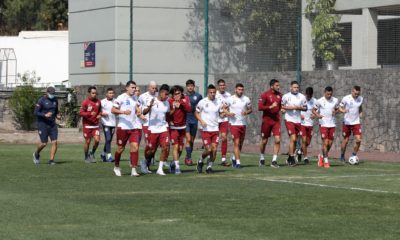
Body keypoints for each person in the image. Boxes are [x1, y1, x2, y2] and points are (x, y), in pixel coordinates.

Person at [112, 81, 142, 177]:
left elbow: (137, 107)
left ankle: (133, 169)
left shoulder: (135, 97)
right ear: (127, 88)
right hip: (123, 127)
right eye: (132, 87)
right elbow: (113, 110)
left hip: (134, 127)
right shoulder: (121, 97)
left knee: (135, 147)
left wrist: (138, 111)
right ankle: (116, 166)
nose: (134, 89)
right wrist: (123, 112)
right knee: (120, 148)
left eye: (135, 88)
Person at [143, 84, 174, 176]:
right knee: (151, 151)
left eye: (168, 94)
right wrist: (149, 106)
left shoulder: (167, 102)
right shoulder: (152, 100)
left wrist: (175, 109)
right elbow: (144, 112)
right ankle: (145, 161)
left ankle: (160, 169)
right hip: (153, 129)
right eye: (166, 94)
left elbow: (168, 114)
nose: (167, 96)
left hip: (163, 128)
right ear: (161, 93)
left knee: (165, 147)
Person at [195, 84, 224, 174]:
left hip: (215, 129)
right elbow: (196, 113)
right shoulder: (202, 102)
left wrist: (224, 113)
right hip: (205, 130)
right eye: (211, 92)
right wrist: (201, 121)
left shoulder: (219, 102)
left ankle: (209, 167)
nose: (212, 94)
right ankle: (200, 160)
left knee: (214, 149)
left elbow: (221, 114)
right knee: (209, 149)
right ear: (208, 93)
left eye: (214, 92)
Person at [224, 83, 252, 168]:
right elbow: (224, 109)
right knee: (236, 143)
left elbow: (250, 109)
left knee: (240, 144)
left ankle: (233, 158)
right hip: (233, 124)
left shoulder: (246, 99)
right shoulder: (230, 99)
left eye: (242, 90)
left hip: (243, 124)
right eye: (239, 89)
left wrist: (246, 112)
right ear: (235, 90)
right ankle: (238, 163)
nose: (240, 91)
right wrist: (229, 113)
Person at [312, 86, 340, 168]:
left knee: (330, 143)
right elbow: (313, 110)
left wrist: (336, 111)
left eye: (330, 94)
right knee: (326, 142)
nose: (329, 95)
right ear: (324, 92)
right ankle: (326, 161)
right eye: (328, 94)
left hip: (332, 124)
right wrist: (317, 115)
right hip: (323, 124)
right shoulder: (319, 101)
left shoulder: (335, 100)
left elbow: (337, 109)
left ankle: (321, 156)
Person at [281, 81, 307, 166]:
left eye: (297, 87)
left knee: (295, 140)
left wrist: (298, 107)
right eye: (294, 87)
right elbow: (281, 107)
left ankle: (289, 158)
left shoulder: (302, 97)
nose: (296, 89)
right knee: (293, 138)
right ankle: (292, 158)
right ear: (291, 88)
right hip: (289, 119)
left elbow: (305, 108)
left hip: (298, 121)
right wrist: (288, 108)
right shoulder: (286, 96)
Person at [32, 86, 60, 165]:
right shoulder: (41, 100)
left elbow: (56, 111)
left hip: (52, 124)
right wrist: (45, 115)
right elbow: (35, 112)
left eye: (53, 94)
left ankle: (51, 160)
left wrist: (58, 115)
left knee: (54, 142)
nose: (52, 95)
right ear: (47, 93)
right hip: (42, 124)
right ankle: (36, 154)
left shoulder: (55, 100)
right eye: (51, 94)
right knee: (44, 143)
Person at [258, 79, 282, 168]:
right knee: (264, 141)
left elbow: (280, 106)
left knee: (277, 140)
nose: (278, 87)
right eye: (277, 85)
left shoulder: (280, 95)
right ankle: (261, 157)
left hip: (276, 121)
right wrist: (270, 106)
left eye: (278, 85)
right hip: (267, 121)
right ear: (272, 86)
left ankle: (274, 161)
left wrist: (282, 109)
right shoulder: (265, 95)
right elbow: (259, 107)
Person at [168, 85, 191, 174]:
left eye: (178, 93)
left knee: (181, 148)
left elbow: (189, 109)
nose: (177, 96)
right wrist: (170, 121)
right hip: (173, 128)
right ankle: (177, 167)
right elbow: (168, 114)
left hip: (183, 127)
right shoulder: (170, 101)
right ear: (172, 95)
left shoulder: (185, 99)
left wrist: (181, 103)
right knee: (175, 146)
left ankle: (173, 163)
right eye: (175, 94)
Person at [339, 86, 363, 162]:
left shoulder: (360, 98)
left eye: (358, 94)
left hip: (356, 122)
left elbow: (360, 106)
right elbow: (340, 107)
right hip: (347, 122)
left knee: (359, 140)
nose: (356, 95)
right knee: (345, 140)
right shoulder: (346, 98)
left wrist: (361, 112)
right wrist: (343, 111)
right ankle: (342, 155)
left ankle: (353, 155)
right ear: (352, 91)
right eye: (355, 93)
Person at [138, 81, 158, 173]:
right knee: (149, 145)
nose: (154, 90)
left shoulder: (158, 96)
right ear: (149, 87)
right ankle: (144, 163)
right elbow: (137, 107)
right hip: (146, 124)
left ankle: (147, 163)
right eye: (152, 88)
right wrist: (140, 115)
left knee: (155, 145)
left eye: (155, 88)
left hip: (156, 124)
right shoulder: (142, 96)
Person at [79, 86, 102, 163]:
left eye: (95, 93)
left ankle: (92, 153)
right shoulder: (85, 102)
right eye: (93, 93)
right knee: (88, 142)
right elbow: (81, 113)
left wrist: (99, 115)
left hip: (95, 125)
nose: (94, 94)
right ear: (89, 93)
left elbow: (100, 111)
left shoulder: (98, 102)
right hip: (87, 125)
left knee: (97, 140)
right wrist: (89, 113)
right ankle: (86, 157)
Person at [184, 79, 203, 165]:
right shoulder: (183, 96)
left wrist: (201, 119)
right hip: (186, 120)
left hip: (194, 120)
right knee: (188, 139)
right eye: (188, 86)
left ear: (194, 86)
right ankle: (189, 158)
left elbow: (201, 108)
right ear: (186, 87)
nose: (190, 87)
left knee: (191, 141)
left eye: (191, 86)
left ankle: (188, 155)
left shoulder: (198, 96)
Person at [216, 79, 231, 166]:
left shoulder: (228, 95)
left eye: (223, 85)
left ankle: (223, 159)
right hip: (214, 120)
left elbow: (229, 106)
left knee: (224, 138)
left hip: (224, 120)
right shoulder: (214, 94)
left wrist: (225, 113)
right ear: (218, 86)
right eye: (220, 85)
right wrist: (219, 113)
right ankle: (210, 155)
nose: (222, 86)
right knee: (214, 140)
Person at [300, 87, 317, 164]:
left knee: (308, 142)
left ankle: (300, 150)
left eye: (310, 96)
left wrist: (315, 115)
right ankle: (305, 158)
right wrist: (300, 115)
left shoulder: (315, 101)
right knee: (303, 140)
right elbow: (296, 108)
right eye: (307, 95)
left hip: (310, 123)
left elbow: (317, 110)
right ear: (305, 94)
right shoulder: (301, 99)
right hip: (302, 123)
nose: (308, 97)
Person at [100, 88, 116, 162]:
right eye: (110, 93)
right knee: (108, 139)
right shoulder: (102, 102)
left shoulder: (115, 101)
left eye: (112, 93)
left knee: (108, 140)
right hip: (105, 123)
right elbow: (97, 111)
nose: (111, 94)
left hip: (113, 123)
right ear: (106, 94)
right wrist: (102, 114)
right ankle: (109, 156)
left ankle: (103, 154)